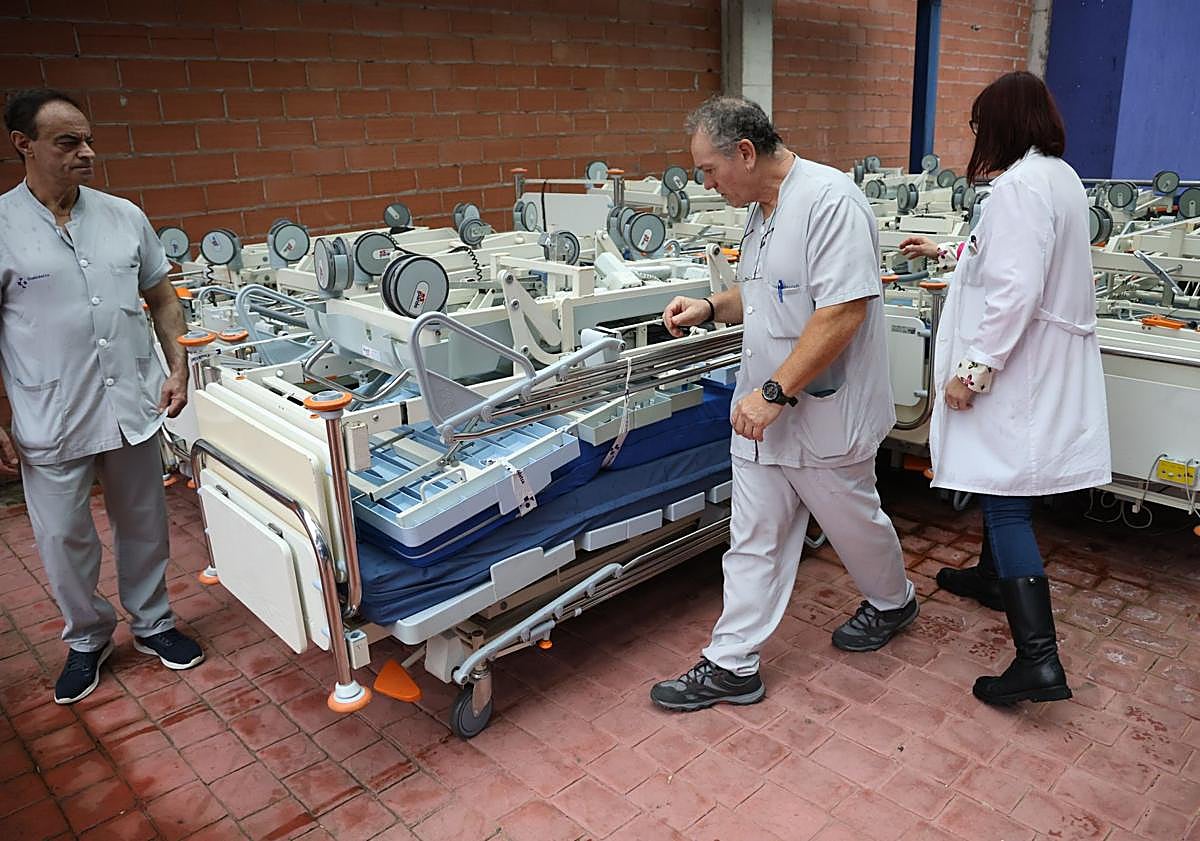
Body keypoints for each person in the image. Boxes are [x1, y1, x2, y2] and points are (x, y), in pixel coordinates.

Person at [649, 96, 918, 712]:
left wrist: (777, 391)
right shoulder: (761, 210)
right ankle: (732, 663)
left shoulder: (829, 201)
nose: (706, 184)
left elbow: (843, 308)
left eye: (710, 170)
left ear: (745, 153)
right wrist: (711, 308)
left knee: (856, 525)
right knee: (754, 535)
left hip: (823, 410)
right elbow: (765, 291)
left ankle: (893, 601)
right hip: (762, 414)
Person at [900, 71, 1111, 705]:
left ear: (1001, 125)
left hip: (1017, 372)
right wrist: (948, 251)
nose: (977, 137)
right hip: (1041, 364)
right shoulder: (1058, 177)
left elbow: (1016, 291)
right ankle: (994, 578)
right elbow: (1013, 261)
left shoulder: (1018, 188)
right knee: (1002, 482)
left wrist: (974, 370)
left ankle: (1038, 661)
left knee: (1005, 497)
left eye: (979, 125)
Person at [0, 89, 204, 705]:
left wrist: (178, 362)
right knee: (63, 537)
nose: (86, 152)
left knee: (144, 523)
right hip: (50, 411)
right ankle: (87, 637)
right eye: (68, 142)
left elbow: (162, 298)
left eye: (88, 140)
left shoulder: (123, 216)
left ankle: (154, 623)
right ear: (23, 145)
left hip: (132, 403)